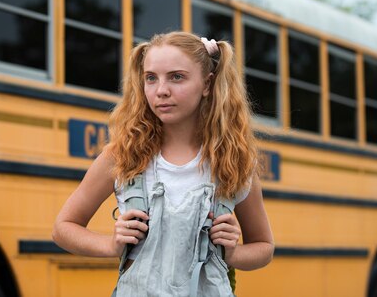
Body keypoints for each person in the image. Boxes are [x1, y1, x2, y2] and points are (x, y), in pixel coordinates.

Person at [53, 31, 274, 296]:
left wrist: (234, 252)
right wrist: (111, 245)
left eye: (176, 77)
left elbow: (264, 247)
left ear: (207, 84)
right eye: (151, 78)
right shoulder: (122, 156)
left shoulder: (234, 162)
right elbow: (63, 229)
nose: (161, 91)